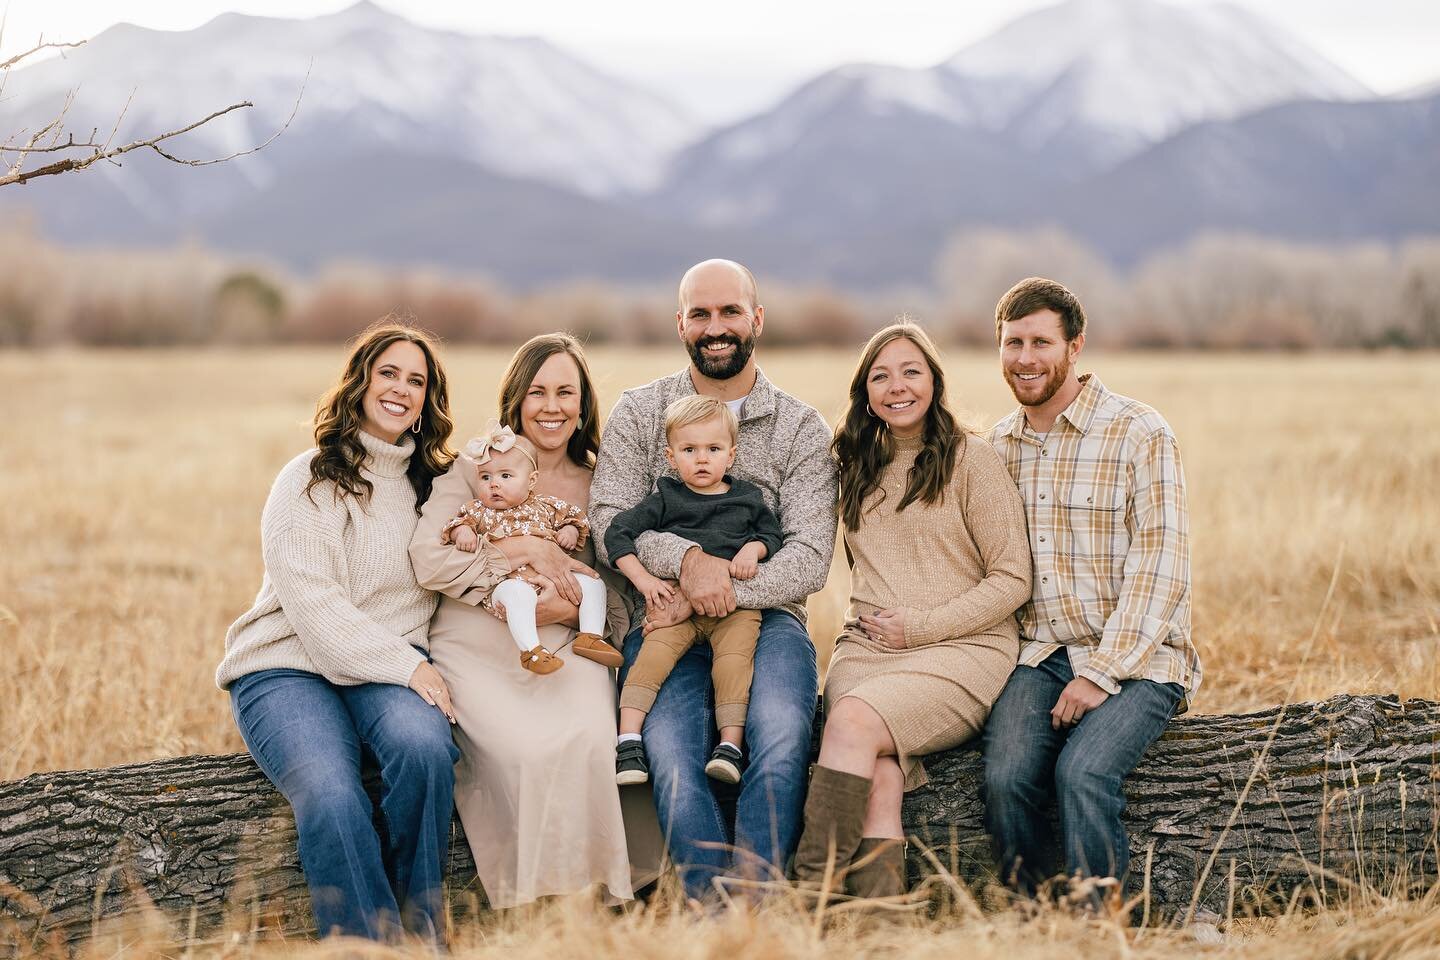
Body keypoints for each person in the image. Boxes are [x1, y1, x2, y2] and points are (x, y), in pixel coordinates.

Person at [590, 259, 838, 900]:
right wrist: (686, 563)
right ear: (680, 324)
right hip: (666, 614)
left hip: (768, 620)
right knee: (669, 754)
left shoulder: (801, 427)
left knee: (782, 735)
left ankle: (754, 902)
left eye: (730, 311)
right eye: (700, 313)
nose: (716, 326)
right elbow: (610, 520)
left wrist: (723, 586)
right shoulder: (641, 413)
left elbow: (809, 556)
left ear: (756, 319)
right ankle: (710, 907)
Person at [217, 322, 460, 942]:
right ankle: (365, 946)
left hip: (385, 665)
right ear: (359, 382)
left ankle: (423, 932)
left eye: (417, 380)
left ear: (427, 400)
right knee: (331, 792)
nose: (401, 390)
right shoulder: (306, 479)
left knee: (426, 749)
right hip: (286, 666)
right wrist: (411, 668)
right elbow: (316, 612)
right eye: (389, 373)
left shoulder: (436, 488)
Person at [408, 333, 663, 909]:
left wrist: (571, 609)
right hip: (477, 635)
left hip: (570, 639)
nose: (552, 406)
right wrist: (519, 550)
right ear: (516, 399)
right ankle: (534, 899)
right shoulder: (479, 464)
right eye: (538, 392)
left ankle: (610, 889)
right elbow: (429, 556)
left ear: (583, 403)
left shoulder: (604, 483)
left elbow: (619, 591)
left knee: (595, 738)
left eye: (566, 392)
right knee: (520, 750)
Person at [790, 322, 1032, 899]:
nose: (896, 387)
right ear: (865, 392)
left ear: (934, 382)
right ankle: (879, 920)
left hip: (964, 652)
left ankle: (804, 897)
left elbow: (1013, 579)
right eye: (880, 376)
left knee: (848, 722)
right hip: (868, 652)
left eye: (910, 371)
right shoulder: (852, 465)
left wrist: (919, 628)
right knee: (879, 775)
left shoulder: (973, 460)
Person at [981, 277, 1203, 905]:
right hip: (1040, 653)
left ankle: (1100, 923)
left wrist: (1103, 671)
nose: (1025, 358)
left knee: (1082, 772)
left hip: (1142, 659)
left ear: (1075, 347)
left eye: (1041, 342)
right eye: (1013, 342)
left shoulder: (1139, 431)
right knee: (1003, 778)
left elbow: (1162, 564)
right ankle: (1035, 911)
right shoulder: (998, 447)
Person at [604, 394, 784, 786]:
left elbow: (772, 535)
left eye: (713, 449)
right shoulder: (667, 497)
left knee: (733, 665)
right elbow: (617, 533)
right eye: (689, 449)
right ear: (671, 457)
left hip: (734, 610)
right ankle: (628, 741)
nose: (702, 459)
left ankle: (730, 747)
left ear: (731, 455)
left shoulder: (748, 499)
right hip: (672, 603)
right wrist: (645, 580)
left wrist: (753, 550)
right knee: (651, 659)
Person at [440, 422, 618, 674]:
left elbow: (575, 518)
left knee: (592, 582)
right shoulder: (479, 510)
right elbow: (457, 523)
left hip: (552, 582)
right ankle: (532, 651)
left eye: (505, 476)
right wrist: (463, 532)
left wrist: (570, 531)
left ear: (531, 480)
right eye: (485, 477)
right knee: (517, 595)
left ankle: (590, 636)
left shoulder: (545, 506)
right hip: (507, 582)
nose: (493, 484)